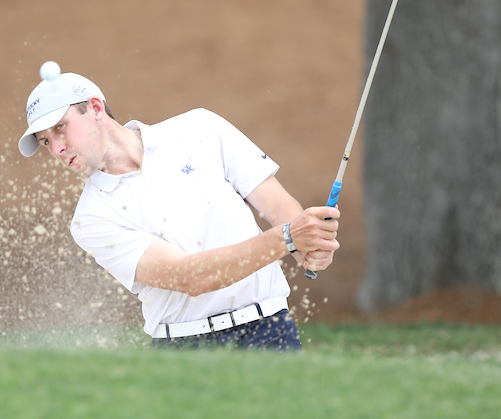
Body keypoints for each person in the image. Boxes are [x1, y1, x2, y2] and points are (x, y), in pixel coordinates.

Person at [19, 61, 339, 350]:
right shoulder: (90, 218)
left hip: (270, 331)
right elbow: (190, 278)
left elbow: (276, 203)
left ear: (95, 108)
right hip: (186, 348)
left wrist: (306, 247)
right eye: (46, 141)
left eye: (60, 128)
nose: (57, 149)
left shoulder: (199, 127)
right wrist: (287, 239)